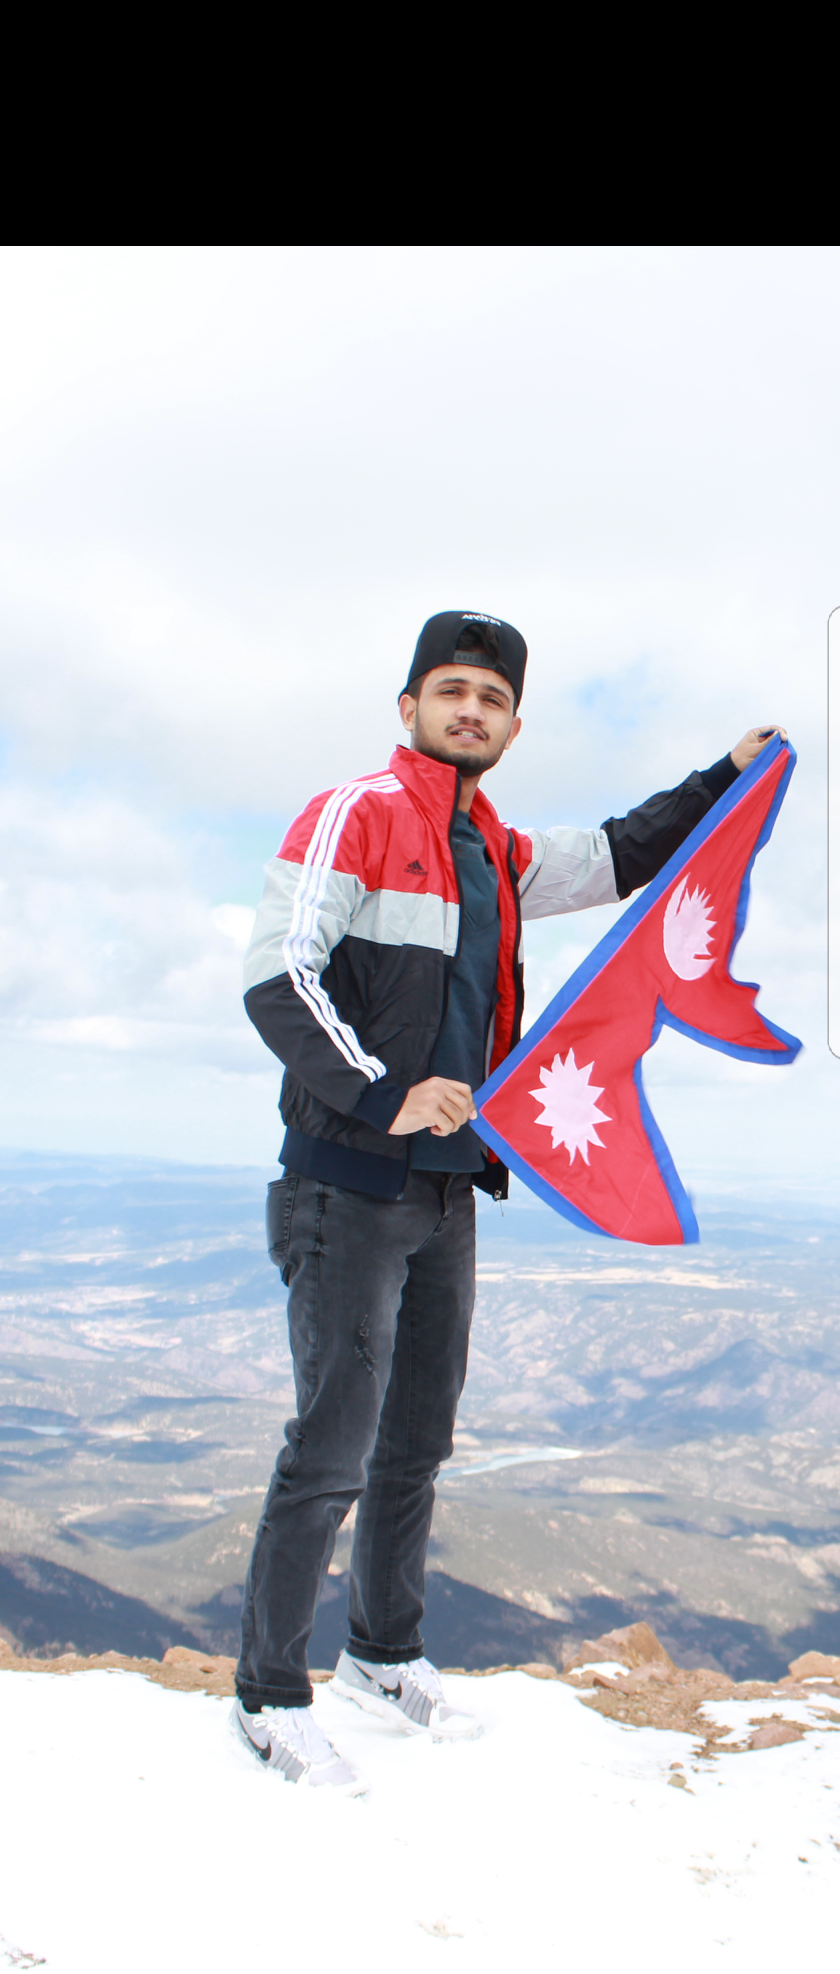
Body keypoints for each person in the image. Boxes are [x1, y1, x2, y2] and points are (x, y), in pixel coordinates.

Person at [233, 608, 782, 1792]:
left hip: (452, 1190)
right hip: (348, 1182)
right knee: (330, 1447)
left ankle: (382, 1655)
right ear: (408, 707)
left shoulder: (498, 851)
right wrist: (385, 1092)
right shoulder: (358, 815)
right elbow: (277, 973)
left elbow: (625, 852)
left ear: (514, 724)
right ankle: (271, 1693)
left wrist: (725, 778)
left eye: (490, 697)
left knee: (417, 1442)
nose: (469, 710)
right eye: (449, 690)